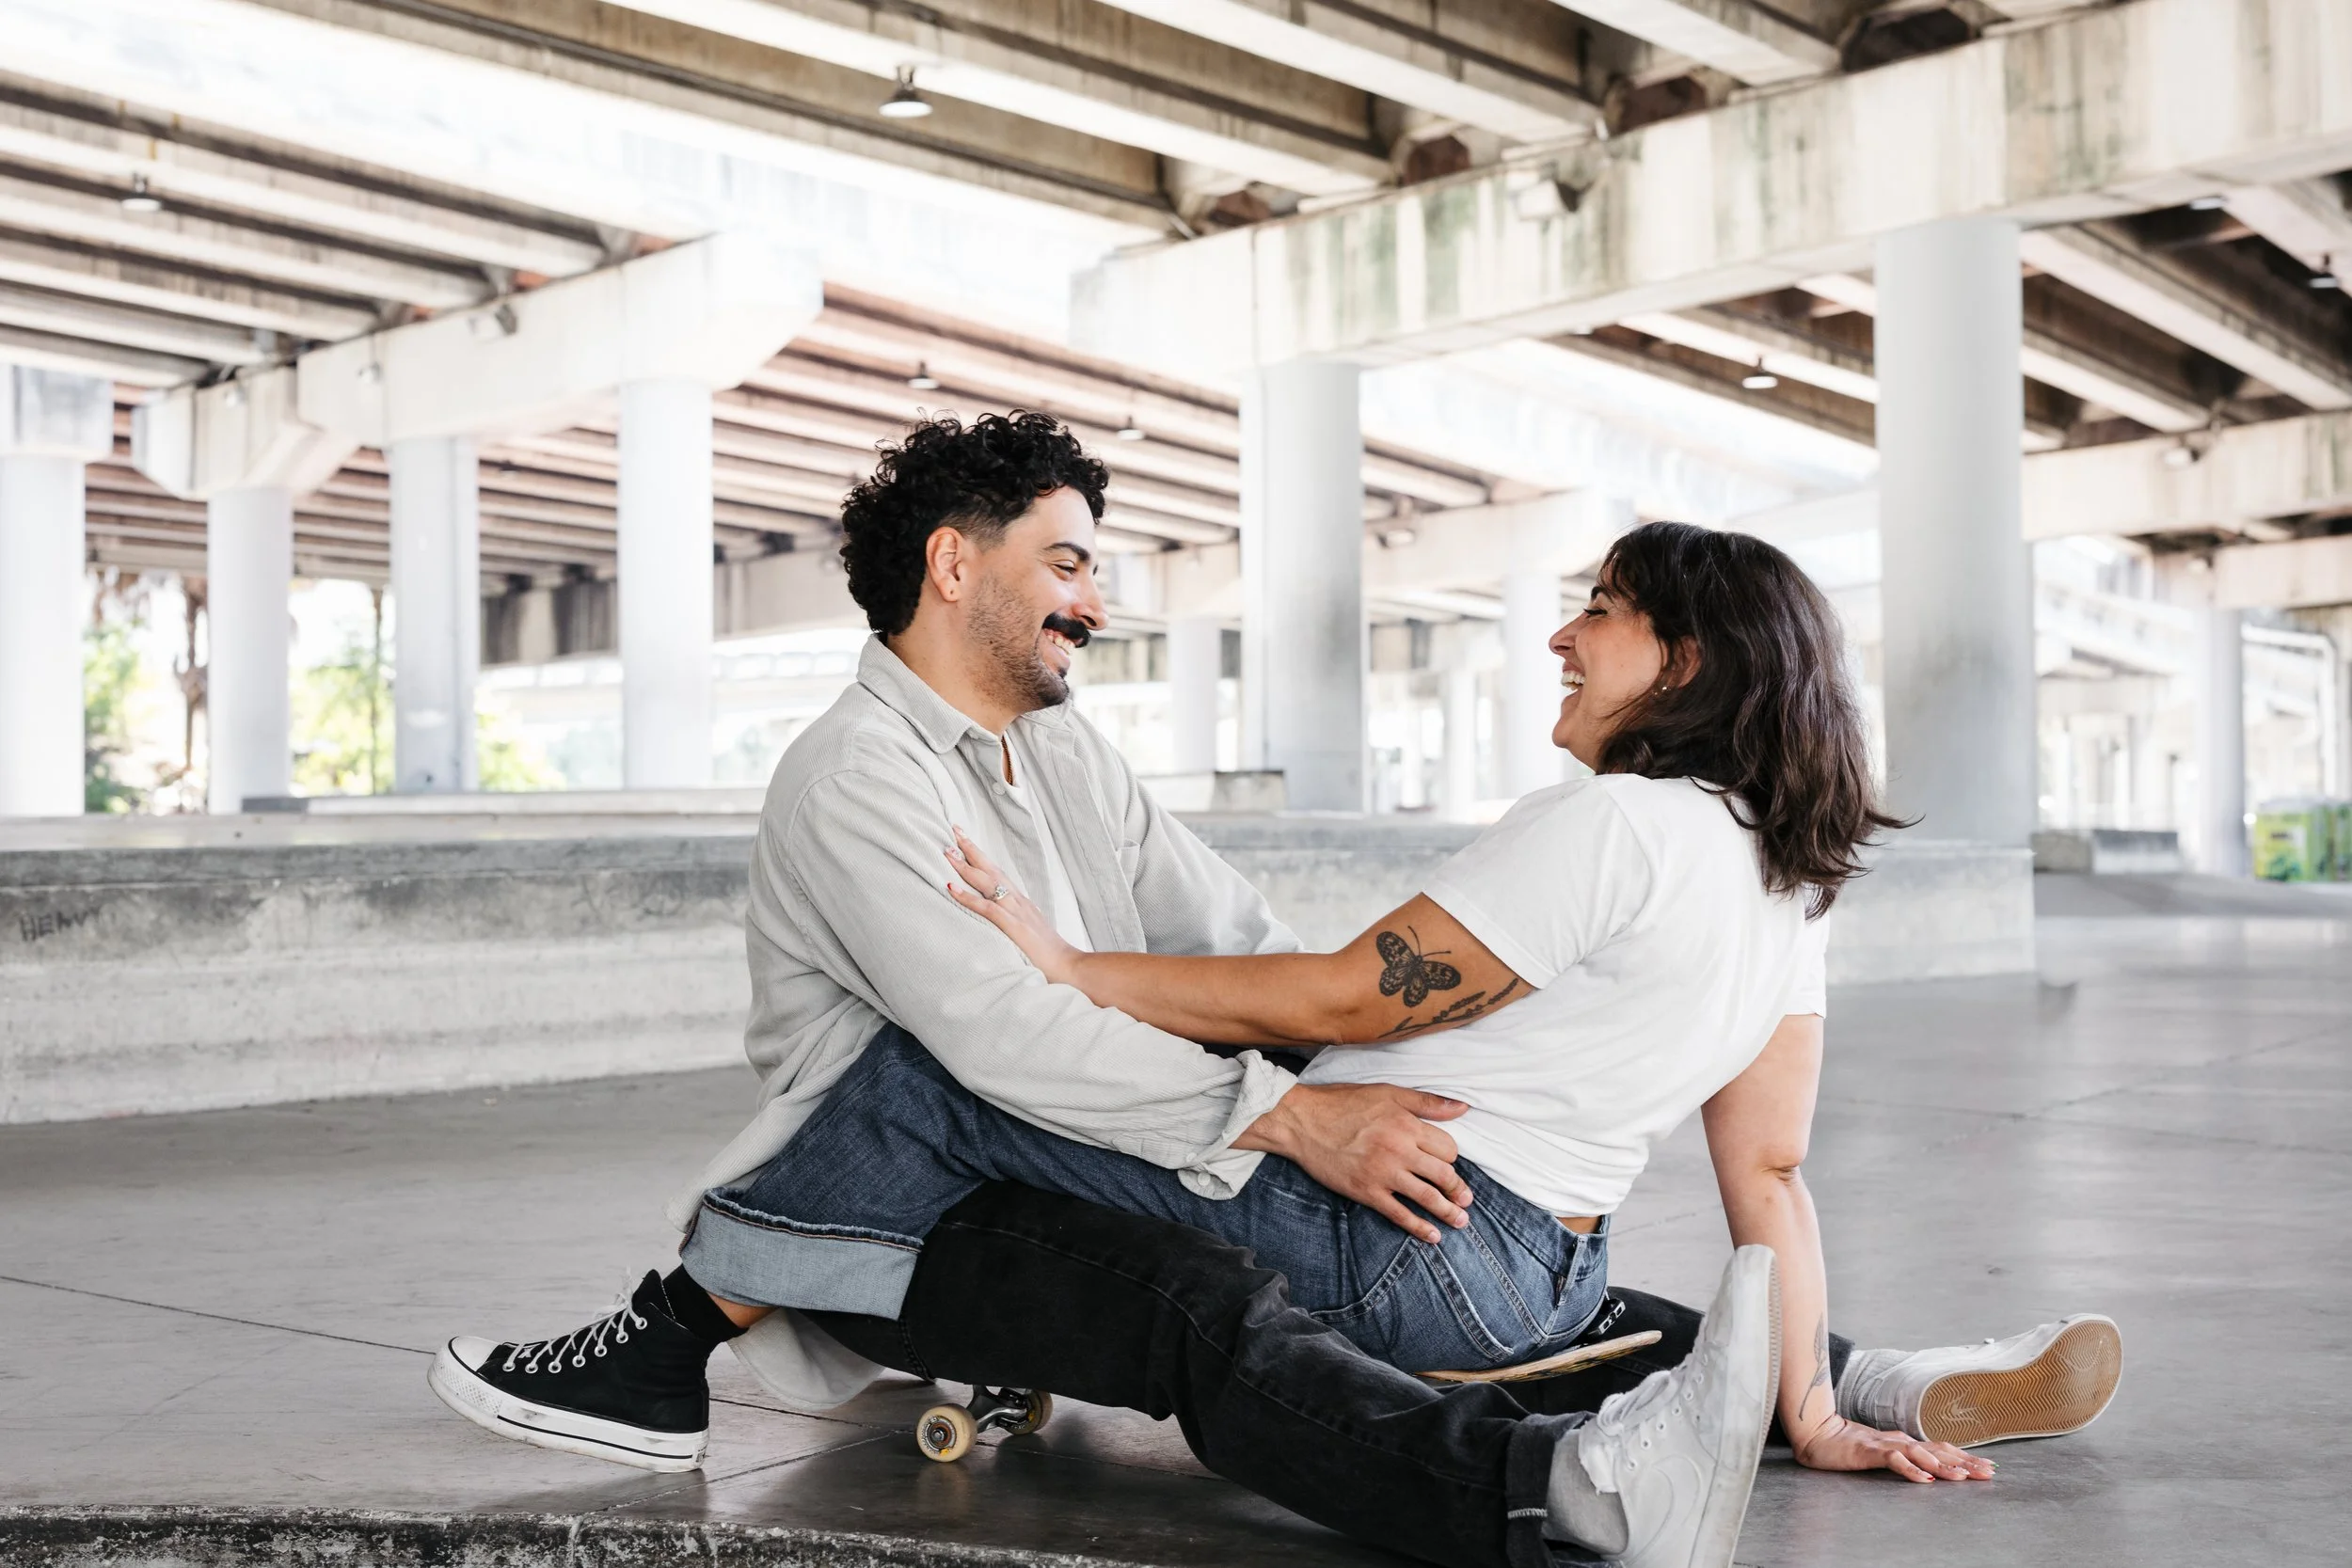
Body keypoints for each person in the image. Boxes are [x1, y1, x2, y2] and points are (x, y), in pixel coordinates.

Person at [427, 415, 2120, 1568]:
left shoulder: (1066, 761)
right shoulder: (860, 776)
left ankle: (1804, 1389)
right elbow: (1006, 1037)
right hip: (916, 1191)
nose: (1100, 596)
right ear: (955, 567)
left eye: (1591, 612)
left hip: (1137, 1159)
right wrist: (1299, 1111)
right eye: (1072, 561)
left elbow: (1243, 940)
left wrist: (1292, 1062)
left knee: (1426, 1294)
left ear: (1681, 663)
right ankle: (668, 1337)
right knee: (1034, 1150)